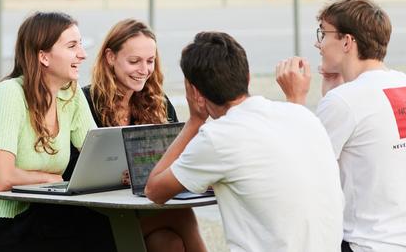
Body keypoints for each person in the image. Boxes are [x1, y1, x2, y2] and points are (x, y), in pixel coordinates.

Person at [275, 0, 406, 252]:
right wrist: (334, 92)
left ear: (347, 41)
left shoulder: (345, 101)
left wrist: (295, 98)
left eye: (323, 34)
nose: (318, 43)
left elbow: (299, 173)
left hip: (372, 245)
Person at [145, 31, 344, 251]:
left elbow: (154, 191)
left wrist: (194, 120)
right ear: (247, 76)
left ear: (195, 93)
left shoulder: (218, 137)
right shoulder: (303, 116)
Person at [0, 12, 116, 251]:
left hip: (45, 211)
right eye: (72, 46)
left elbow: (100, 154)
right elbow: (2, 178)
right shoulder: (9, 94)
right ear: (44, 57)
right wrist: (51, 179)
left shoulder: (71, 93)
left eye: (80, 44)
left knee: (107, 230)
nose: (83, 54)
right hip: (3, 224)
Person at [63, 19, 206, 252]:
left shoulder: (156, 102)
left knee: (168, 243)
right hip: (92, 214)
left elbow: (176, 157)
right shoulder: (83, 102)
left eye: (150, 61)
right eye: (134, 61)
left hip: (141, 208)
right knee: (182, 215)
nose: (144, 70)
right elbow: (69, 170)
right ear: (110, 57)